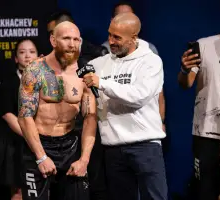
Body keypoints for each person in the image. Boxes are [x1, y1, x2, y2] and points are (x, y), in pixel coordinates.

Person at [83, 13, 167, 200]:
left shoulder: (151, 62)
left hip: (145, 146)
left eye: (117, 37)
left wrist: (101, 83)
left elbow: (139, 96)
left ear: (133, 38)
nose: (111, 41)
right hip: (113, 149)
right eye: (110, 35)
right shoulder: (98, 64)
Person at [17, 21, 97, 200]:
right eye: (66, 38)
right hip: (38, 145)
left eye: (76, 39)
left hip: (70, 146)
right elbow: (24, 116)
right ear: (53, 40)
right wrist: (41, 157)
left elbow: (90, 118)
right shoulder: (35, 70)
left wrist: (84, 160)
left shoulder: (84, 74)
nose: (72, 44)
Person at [46, 10, 108, 200]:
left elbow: (96, 108)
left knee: (95, 187)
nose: (68, 44)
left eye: (73, 38)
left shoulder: (95, 58)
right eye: (53, 35)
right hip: (59, 140)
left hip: (90, 134)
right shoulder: (45, 64)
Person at [178, 1, 220, 199]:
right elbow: (186, 83)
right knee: (206, 192)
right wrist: (185, 70)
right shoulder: (203, 45)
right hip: (207, 133)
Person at [102, 1, 166, 133]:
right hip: (114, 129)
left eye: (128, 16)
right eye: (120, 17)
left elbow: (158, 92)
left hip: (144, 128)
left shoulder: (149, 51)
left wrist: (160, 120)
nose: (124, 20)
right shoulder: (102, 52)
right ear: (111, 21)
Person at [0, 39, 38, 200]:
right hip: (16, 143)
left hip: (44, 142)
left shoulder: (47, 81)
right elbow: (7, 113)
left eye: (32, 52)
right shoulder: (8, 82)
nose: (27, 56)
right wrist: (31, 136)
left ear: (39, 56)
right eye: (22, 52)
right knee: (19, 192)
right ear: (15, 58)